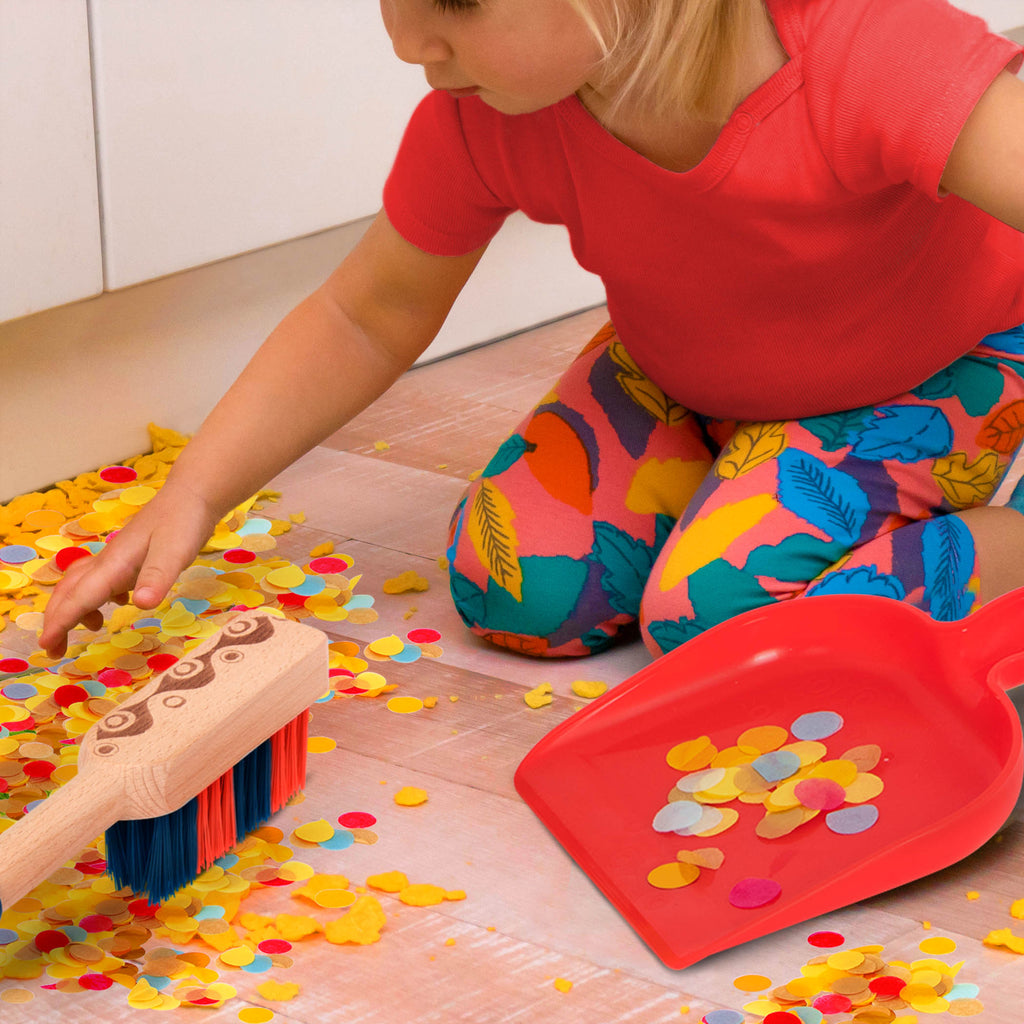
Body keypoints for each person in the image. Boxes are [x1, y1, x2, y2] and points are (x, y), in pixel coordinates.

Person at [40, 0, 1024, 662]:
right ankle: (739, 461)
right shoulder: (498, 113)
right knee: (514, 586)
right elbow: (365, 311)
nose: (407, 40)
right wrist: (195, 493)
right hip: (691, 375)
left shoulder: (869, 50)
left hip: (934, 370)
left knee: (720, 620)